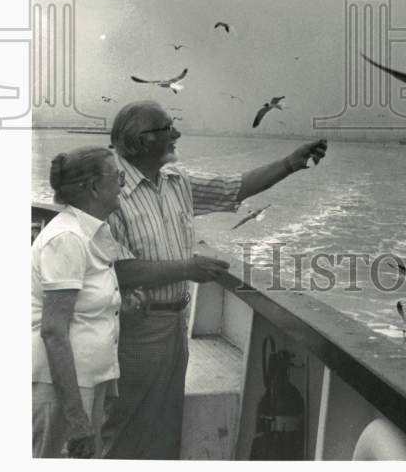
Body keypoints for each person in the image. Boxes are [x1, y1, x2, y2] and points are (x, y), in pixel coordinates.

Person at [102, 100, 327, 460]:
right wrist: (187, 269)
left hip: (176, 322)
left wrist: (290, 164)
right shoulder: (110, 193)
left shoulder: (175, 181)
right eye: (167, 128)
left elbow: (233, 187)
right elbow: (114, 270)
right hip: (135, 328)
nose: (177, 134)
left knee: (166, 424)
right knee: (125, 424)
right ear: (142, 141)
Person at [31, 146, 131, 458]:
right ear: (93, 187)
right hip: (61, 388)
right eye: (117, 177)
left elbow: (85, 308)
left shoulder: (91, 232)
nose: (123, 184)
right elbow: (53, 331)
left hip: (85, 381)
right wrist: (77, 418)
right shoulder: (68, 239)